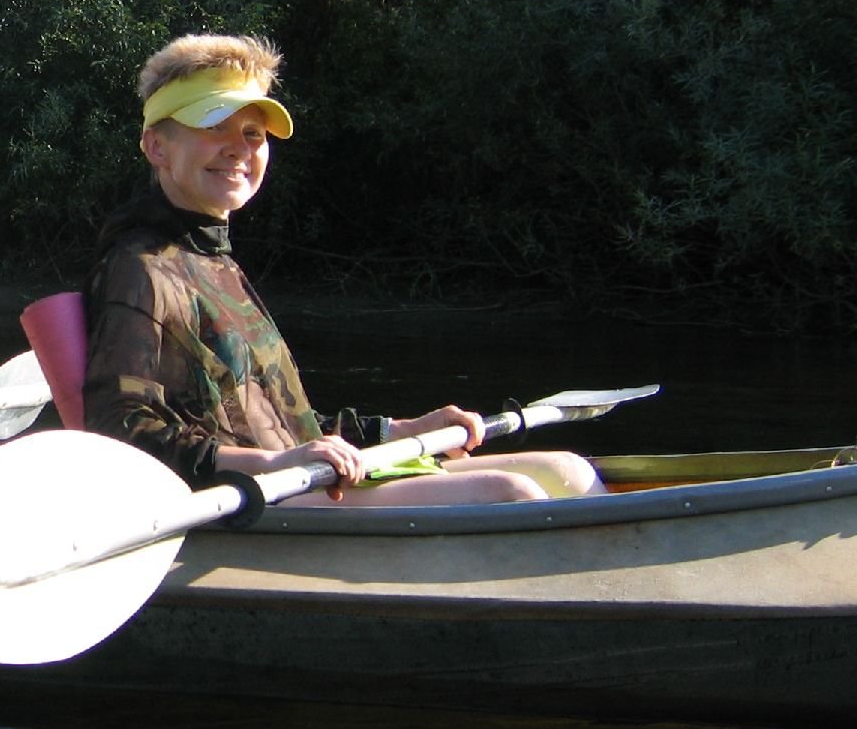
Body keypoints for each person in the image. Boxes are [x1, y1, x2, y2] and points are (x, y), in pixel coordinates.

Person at [83, 35, 602, 506]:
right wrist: (268, 463)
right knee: (508, 493)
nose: (239, 148)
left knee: (568, 469)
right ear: (157, 147)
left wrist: (398, 430)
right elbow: (117, 430)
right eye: (214, 126)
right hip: (248, 496)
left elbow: (286, 423)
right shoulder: (139, 269)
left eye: (253, 132)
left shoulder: (213, 261)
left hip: (299, 477)